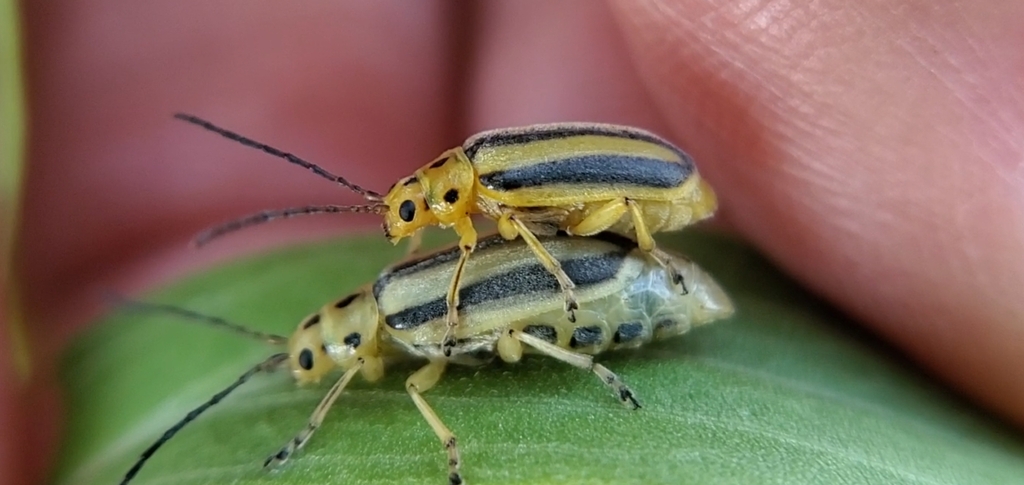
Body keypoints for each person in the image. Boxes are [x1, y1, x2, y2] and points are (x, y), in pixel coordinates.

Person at [5, 2, 1023, 484]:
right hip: (624, 235)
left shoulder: (470, 218)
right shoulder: (452, 228)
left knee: (504, 292)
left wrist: (581, 329)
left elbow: (531, 280)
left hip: (646, 202)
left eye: (414, 210)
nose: (409, 229)